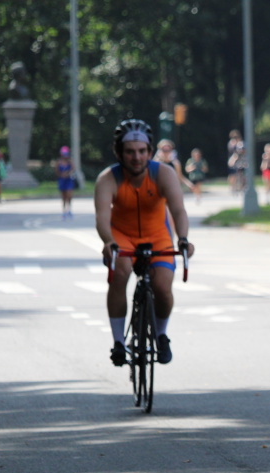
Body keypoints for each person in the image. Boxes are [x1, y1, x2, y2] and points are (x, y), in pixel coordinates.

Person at [94, 119, 195, 367]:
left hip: (157, 235)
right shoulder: (108, 178)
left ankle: (161, 335)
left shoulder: (164, 174)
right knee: (120, 273)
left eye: (141, 151)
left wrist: (183, 239)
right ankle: (119, 342)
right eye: (130, 152)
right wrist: (108, 242)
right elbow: (102, 217)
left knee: (162, 286)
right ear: (119, 153)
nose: (136, 157)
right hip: (121, 236)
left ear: (150, 152)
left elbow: (178, 210)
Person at [56, 146, 76, 219]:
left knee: (69, 195)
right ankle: (64, 211)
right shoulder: (59, 162)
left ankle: (69, 209)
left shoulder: (70, 161)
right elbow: (57, 171)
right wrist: (62, 175)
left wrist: (68, 173)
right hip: (62, 180)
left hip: (69, 180)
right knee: (63, 196)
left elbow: (73, 169)